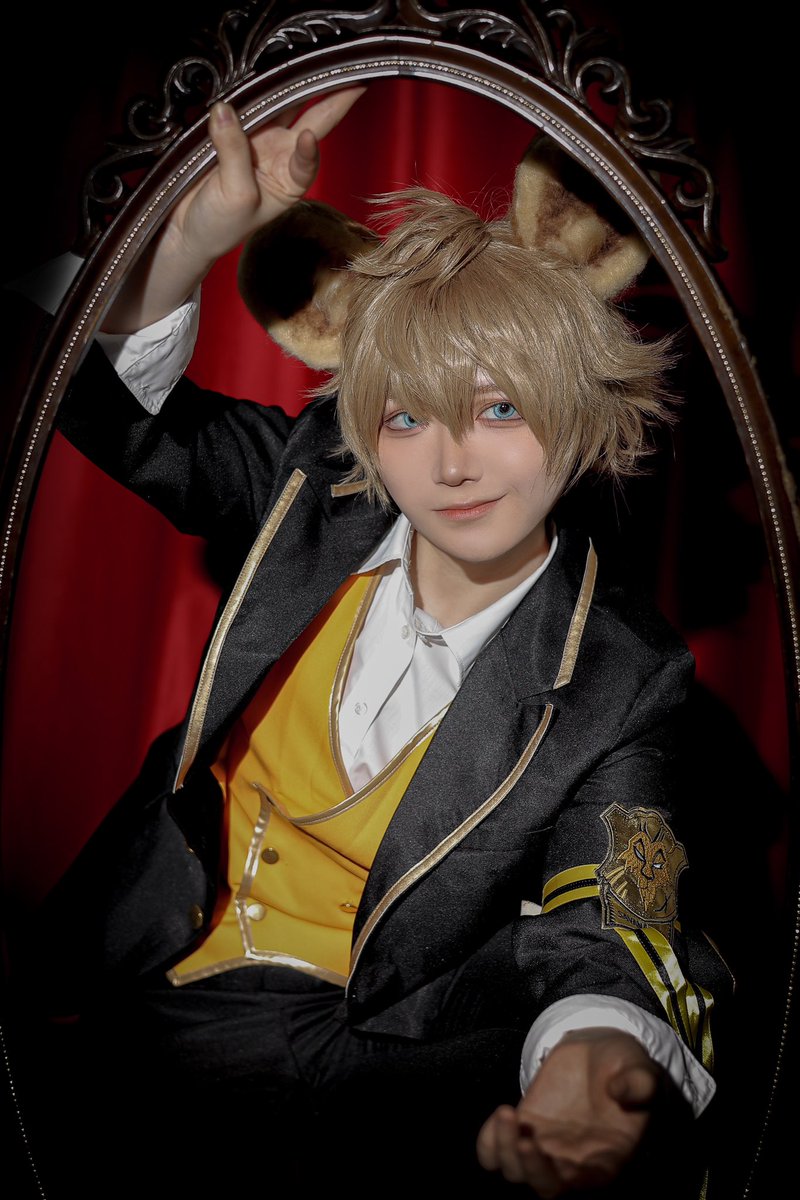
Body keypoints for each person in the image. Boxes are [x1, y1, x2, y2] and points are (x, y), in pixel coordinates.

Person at [22, 88, 730, 1196]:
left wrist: (589, 1061)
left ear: (583, 411)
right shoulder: (308, 492)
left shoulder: (623, 672)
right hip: (143, 974)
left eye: (500, 409)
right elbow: (113, 405)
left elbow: (615, 912)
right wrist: (190, 240)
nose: (449, 465)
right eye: (405, 416)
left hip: (365, 1042)